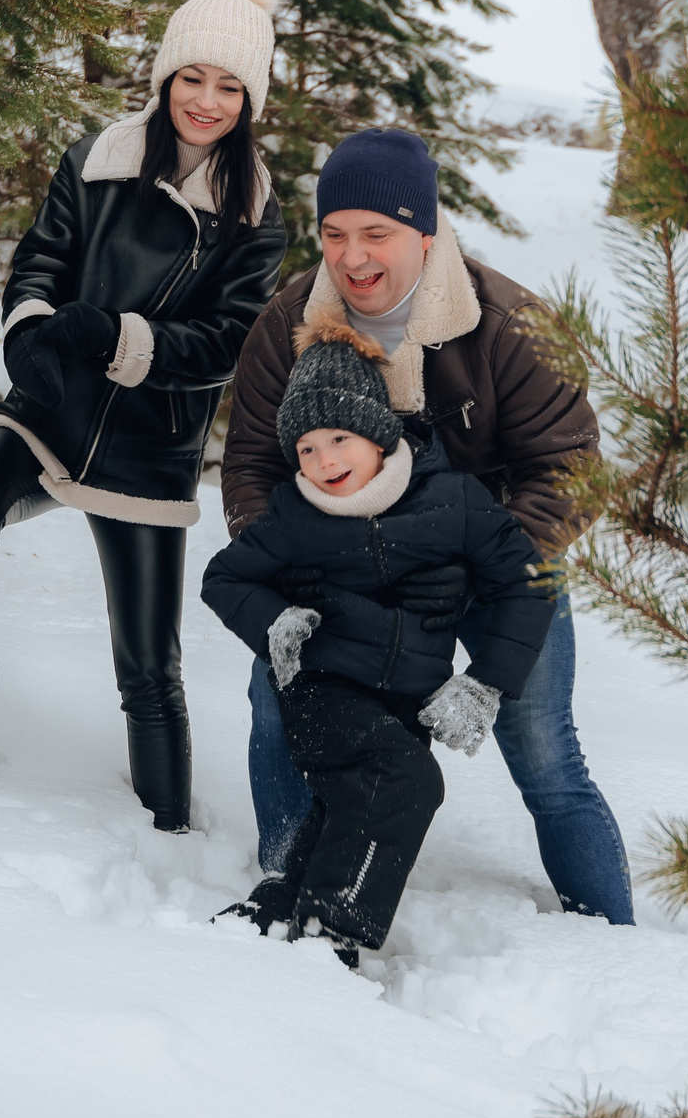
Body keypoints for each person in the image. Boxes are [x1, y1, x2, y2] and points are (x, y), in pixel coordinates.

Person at [220, 128, 635, 923]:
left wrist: (484, 567)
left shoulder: (507, 323)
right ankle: (284, 882)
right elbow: (250, 463)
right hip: (342, 566)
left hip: (497, 563)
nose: (353, 256)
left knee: (545, 747)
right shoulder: (289, 323)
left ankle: (612, 935)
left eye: (377, 234)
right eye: (335, 234)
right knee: (277, 702)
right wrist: (291, 572)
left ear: (426, 230)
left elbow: (570, 466)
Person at [0, 0, 290, 830]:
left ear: (250, 100)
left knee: (149, 661)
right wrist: (33, 331)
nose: (205, 100)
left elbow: (229, 342)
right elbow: (40, 259)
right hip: (54, 406)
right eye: (192, 77)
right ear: (165, 77)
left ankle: (166, 825)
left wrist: (123, 338)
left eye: (229, 86)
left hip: (150, 441)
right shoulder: (96, 159)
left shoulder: (256, 211)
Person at [201, 315, 554, 963]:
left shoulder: (455, 501)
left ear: (377, 431)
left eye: (338, 437)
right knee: (408, 781)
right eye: (305, 448)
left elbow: (528, 581)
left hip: (404, 701)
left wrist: (486, 680)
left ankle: (278, 906)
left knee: (348, 806)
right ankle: (333, 928)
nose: (324, 459)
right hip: (322, 688)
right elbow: (227, 578)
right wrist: (276, 619)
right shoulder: (296, 514)